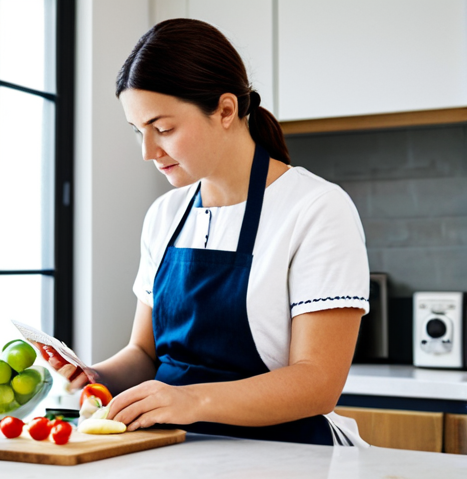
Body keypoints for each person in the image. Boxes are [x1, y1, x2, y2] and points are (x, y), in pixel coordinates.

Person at [40, 18, 370, 446]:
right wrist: (95, 376)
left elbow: (318, 382)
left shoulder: (316, 209)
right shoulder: (166, 214)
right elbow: (145, 354)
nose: (148, 152)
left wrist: (187, 401)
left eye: (163, 129)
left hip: (290, 451)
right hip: (174, 447)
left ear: (226, 110)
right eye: (138, 132)